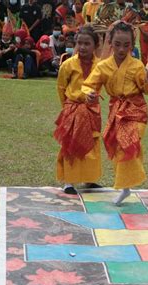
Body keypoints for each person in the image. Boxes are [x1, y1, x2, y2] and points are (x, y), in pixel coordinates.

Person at [82, 21, 148, 205]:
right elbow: (89, 85)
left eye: (126, 45)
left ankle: (125, 186)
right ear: (110, 43)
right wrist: (89, 94)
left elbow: (147, 90)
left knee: (128, 142)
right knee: (116, 146)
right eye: (117, 44)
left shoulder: (137, 65)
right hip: (116, 110)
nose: (122, 49)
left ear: (132, 45)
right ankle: (125, 187)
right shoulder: (103, 66)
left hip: (135, 109)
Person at [55, 25, 102, 195]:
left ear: (95, 45)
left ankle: (90, 179)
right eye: (79, 43)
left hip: (92, 110)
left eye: (87, 43)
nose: (82, 47)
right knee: (71, 145)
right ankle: (69, 182)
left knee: (93, 144)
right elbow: (61, 87)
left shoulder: (101, 65)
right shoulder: (68, 64)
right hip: (73, 108)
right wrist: (67, 107)